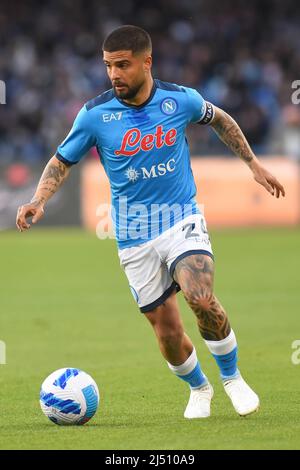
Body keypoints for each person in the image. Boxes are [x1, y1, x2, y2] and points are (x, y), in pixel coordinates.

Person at [16, 25, 285, 419]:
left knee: (200, 295)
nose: (114, 74)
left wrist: (253, 164)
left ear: (147, 62)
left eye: (122, 65)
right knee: (167, 331)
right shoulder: (94, 115)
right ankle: (199, 388)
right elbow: (61, 161)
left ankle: (233, 379)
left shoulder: (181, 100)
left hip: (181, 217)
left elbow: (221, 119)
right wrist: (38, 200)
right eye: (108, 66)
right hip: (132, 233)